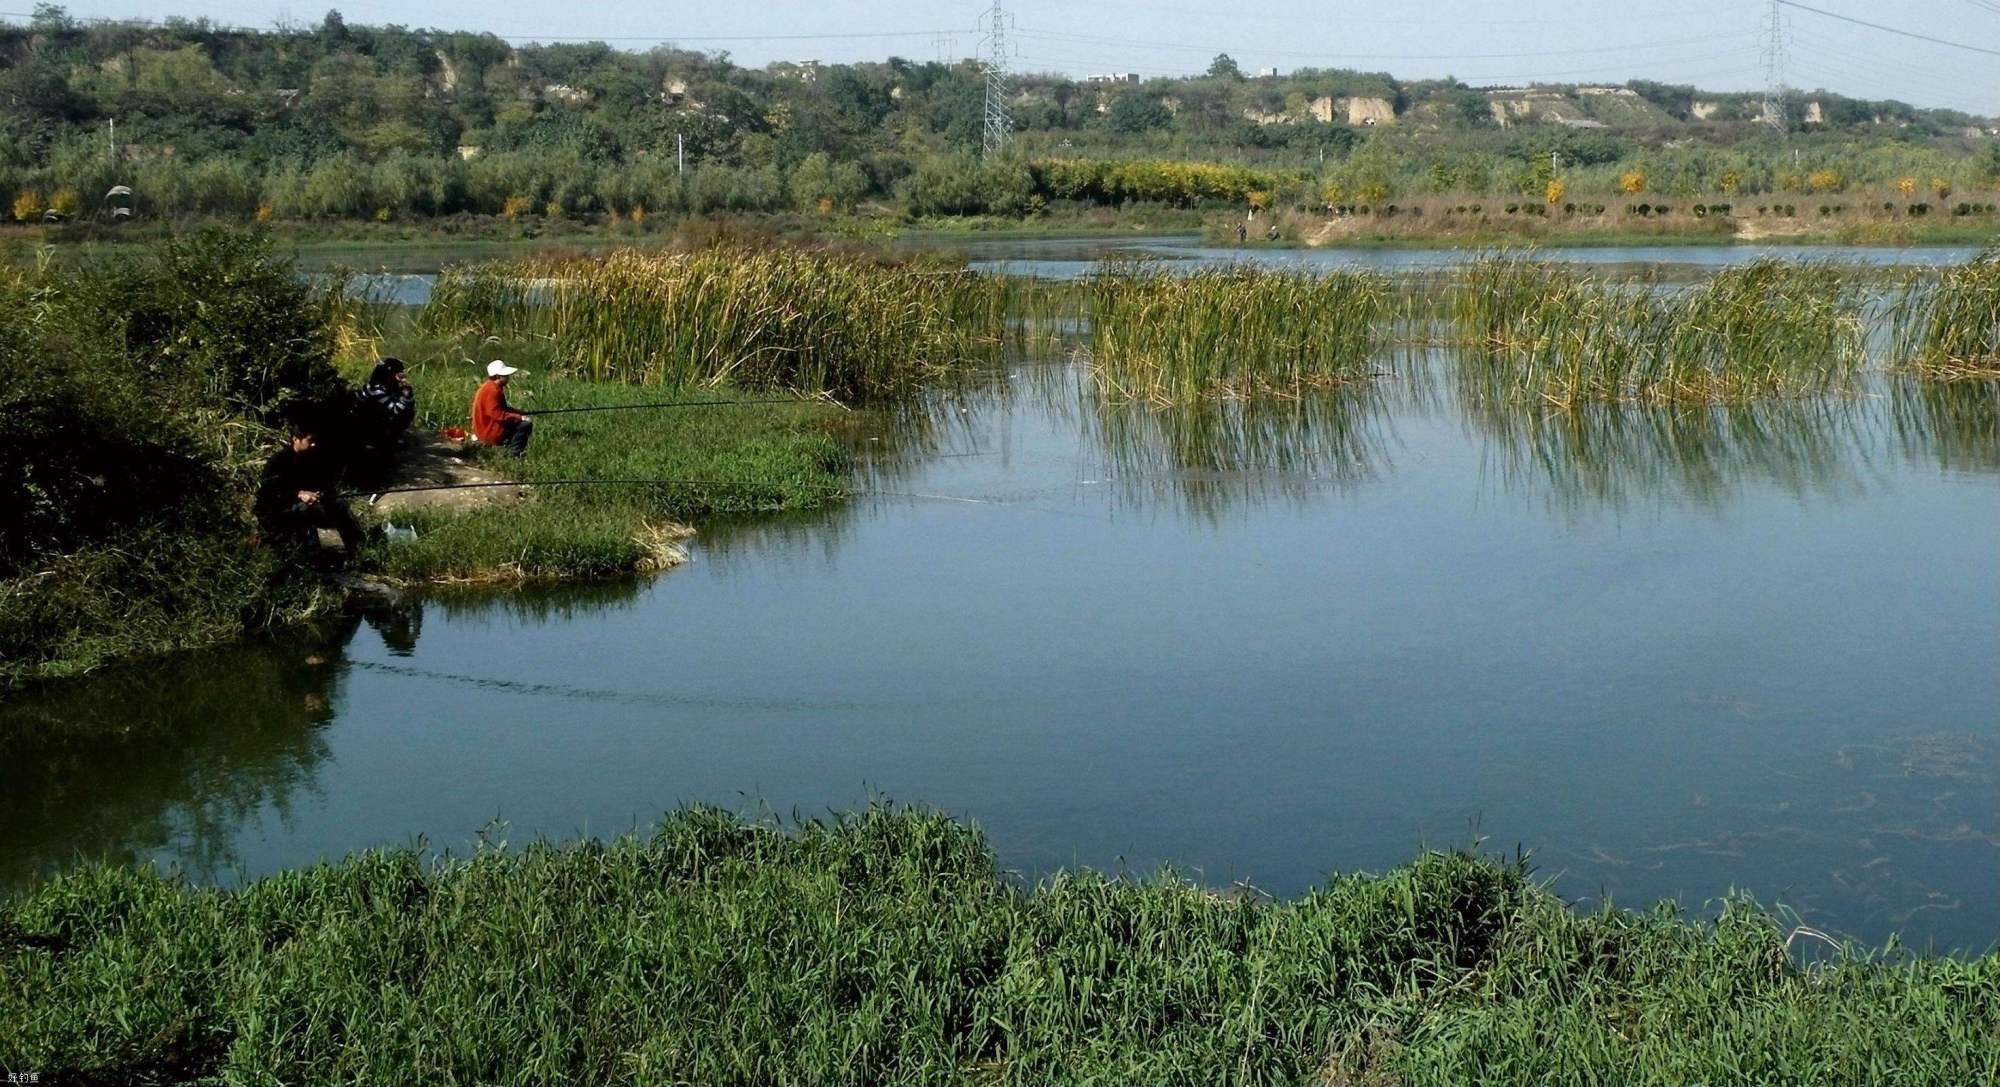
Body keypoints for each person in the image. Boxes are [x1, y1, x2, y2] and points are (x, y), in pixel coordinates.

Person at [255, 403, 364, 562]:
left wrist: (322, 493)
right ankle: (309, 556)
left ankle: (358, 548)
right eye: (309, 441)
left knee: (339, 504)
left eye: (315, 441)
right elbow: (267, 495)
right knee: (305, 509)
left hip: (307, 505)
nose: (313, 445)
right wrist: (298, 494)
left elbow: (324, 483)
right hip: (278, 511)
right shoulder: (278, 461)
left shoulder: (313, 459)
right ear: (295, 439)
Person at [349, 357, 415, 485]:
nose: (400, 376)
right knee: (402, 414)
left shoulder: (388, 386)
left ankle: (391, 441)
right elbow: (395, 411)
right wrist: (406, 396)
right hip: (362, 425)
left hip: (375, 421)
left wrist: (407, 396)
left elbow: (405, 408)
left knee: (408, 413)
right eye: (397, 373)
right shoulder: (376, 389)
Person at [470, 360, 533, 456]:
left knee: (521, 421)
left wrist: (517, 412)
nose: (508, 378)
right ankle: (513, 454)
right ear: (498, 376)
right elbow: (497, 414)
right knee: (525, 425)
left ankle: (509, 450)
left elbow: (501, 410)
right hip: (488, 431)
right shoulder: (492, 391)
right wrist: (519, 417)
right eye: (506, 376)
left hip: (487, 428)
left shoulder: (490, 386)